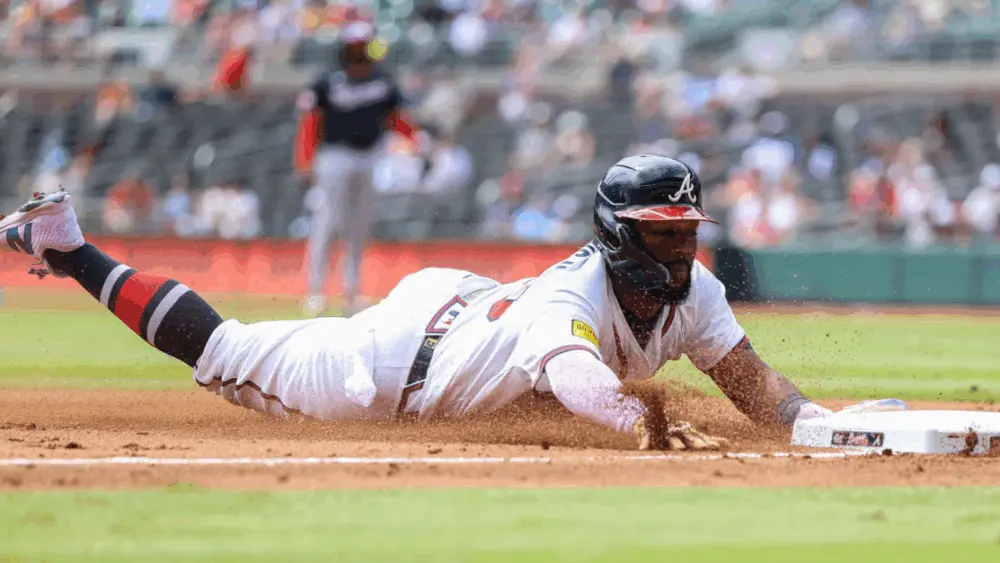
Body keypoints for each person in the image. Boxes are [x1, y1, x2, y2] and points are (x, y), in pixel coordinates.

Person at [0, 155, 901, 451]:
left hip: (467, 303)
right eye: (664, 231)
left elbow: (752, 382)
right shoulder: (574, 295)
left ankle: (66, 244)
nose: (683, 244)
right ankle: (69, 246)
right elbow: (588, 385)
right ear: (622, 233)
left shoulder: (690, 289)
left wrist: (817, 422)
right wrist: (646, 421)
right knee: (225, 347)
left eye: (688, 228)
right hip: (392, 365)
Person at [294, 21, 430, 317]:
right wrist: (304, 160)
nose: (359, 53)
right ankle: (315, 290)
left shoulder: (383, 81)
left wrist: (415, 138)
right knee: (328, 220)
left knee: (359, 225)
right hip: (334, 155)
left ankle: (351, 291)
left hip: (370, 155)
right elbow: (311, 123)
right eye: (354, 47)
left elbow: (395, 118)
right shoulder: (327, 82)